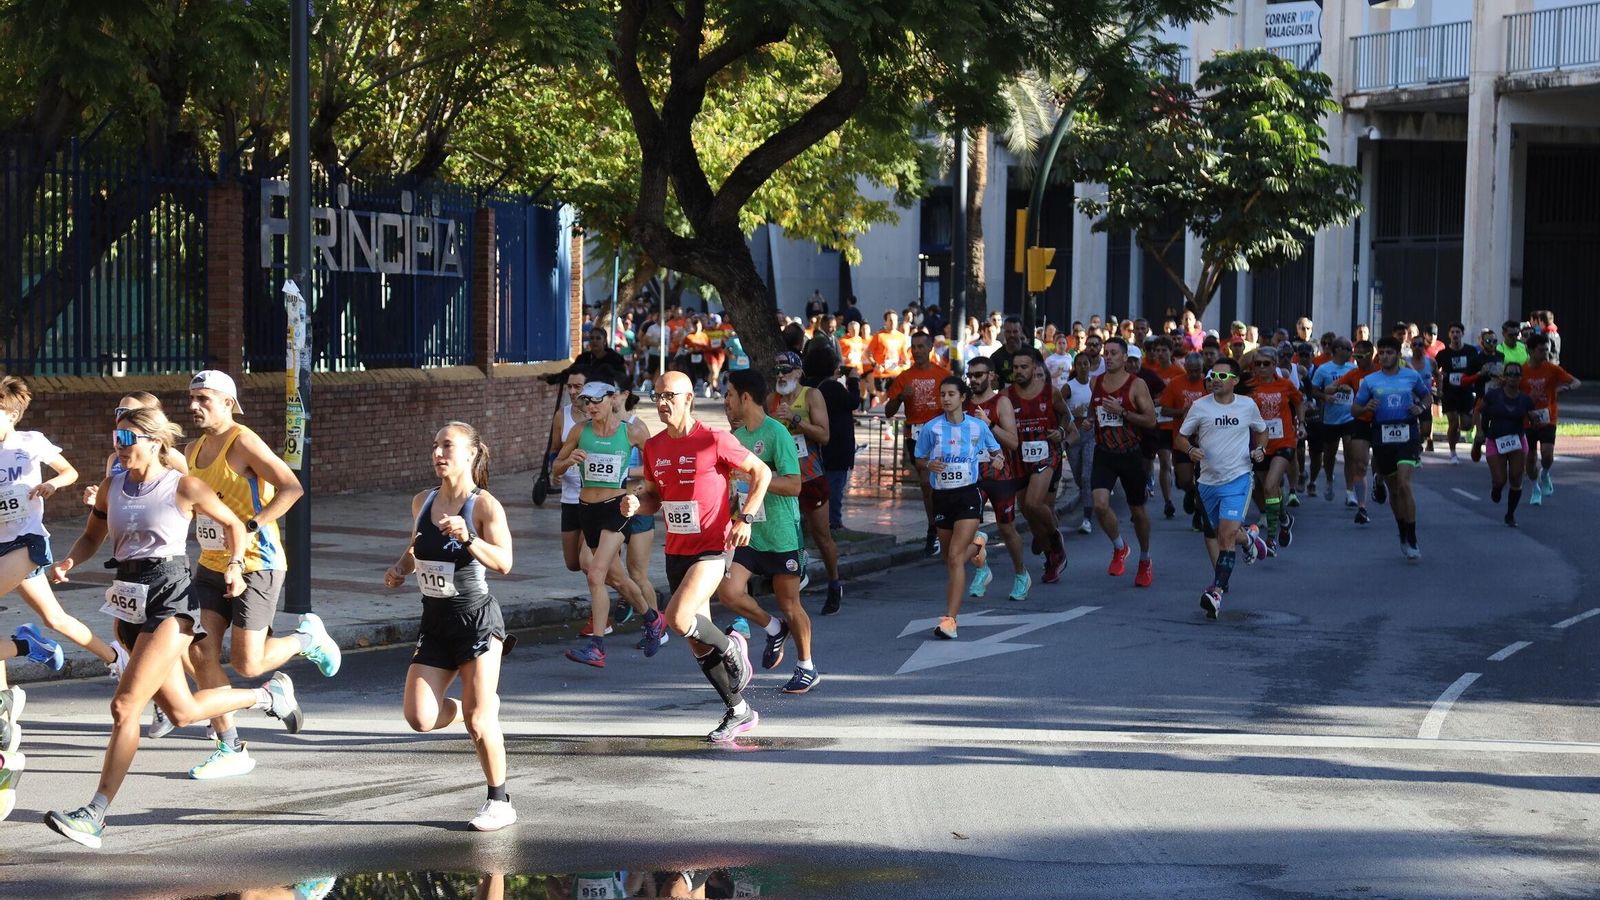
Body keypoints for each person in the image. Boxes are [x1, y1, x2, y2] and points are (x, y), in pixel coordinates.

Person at [43, 406, 301, 849]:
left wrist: (236, 567)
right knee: (181, 712)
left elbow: (234, 525)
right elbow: (92, 536)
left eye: (126, 439)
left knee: (125, 707)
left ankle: (95, 814)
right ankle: (267, 696)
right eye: (115, 438)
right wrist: (70, 559)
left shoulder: (183, 485)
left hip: (170, 599)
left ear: (153, 441)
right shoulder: (112, 487)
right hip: (128, 599)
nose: (118, 448)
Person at [176, 371, 336, 778]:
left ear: (228, 403)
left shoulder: (242, 441)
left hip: (256, 564)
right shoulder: (192, 450)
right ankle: (230, 746)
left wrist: (254, 523)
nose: (195, 406)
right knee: (200, 653)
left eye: (204, 399)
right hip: (212, 564)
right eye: (192, 398)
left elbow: (290, 486)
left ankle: (306, 638)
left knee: (248, 665)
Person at [620, 371, 771, 743]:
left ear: (689, 398)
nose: (662, 403)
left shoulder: (714, 439)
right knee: (696, 640)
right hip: (677, 551)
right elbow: (656, 496)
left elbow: (761, 472)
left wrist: (746, 517)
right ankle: (740, 710)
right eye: (657, 396)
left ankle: (732, 645)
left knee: (677, 616)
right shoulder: (654, 447)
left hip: (712, 547)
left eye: (670, 396)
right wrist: (638, 503)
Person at [383, 422, 518, 831]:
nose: (438, 453)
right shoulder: (422, 501)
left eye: (448, 446)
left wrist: (469, 537)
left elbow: (505, 563)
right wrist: (400, 568)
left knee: (480, 724)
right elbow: (416, 546)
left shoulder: (484, 507)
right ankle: (477, 705)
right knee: (420, 718)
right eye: (435, 446)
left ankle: (499, 800)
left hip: (476, 619)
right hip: (435, 620)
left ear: (471, 454)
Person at [0, 377, 124, 691]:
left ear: (12, 415)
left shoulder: (29, 442)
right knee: (56, 619)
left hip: (26, 542)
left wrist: (52, 484)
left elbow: (69, 471)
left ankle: (19, 664)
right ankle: (115, 658)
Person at [718, 370, 819, 693]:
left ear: (746, 397)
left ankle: (807, 666)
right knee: (730, 592)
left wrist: (757, 480)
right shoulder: (735, 438)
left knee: (790, 603)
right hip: (749, 532)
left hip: (780, 534)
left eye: (729, 394)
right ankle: (774, 628)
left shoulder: (776, 433)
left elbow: (794, 484)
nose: (726, 401)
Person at [552, 380, 663, 667]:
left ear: (612, 399)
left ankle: (597, 646)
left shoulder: (632, 431)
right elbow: (555, 468)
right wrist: (567, 462)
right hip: (586, 509)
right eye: (585, 402)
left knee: (594, 572)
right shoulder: (580, 431)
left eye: (595, 401)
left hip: (617, 509)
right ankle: (652, 619)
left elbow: (657, 465)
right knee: (616, 578)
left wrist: (643, 492)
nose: (590, 407)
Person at [1173, 357, 1271, 620]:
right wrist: (1191, 449)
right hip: (1207, 483)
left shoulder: (1247, 406)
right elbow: (1180, 438)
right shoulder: (1199, 407)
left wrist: (1260, 449)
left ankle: (1216, 592)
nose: (1216, 380)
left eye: (1223, 377)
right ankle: (1249, 538)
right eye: (1213, 375)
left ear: (1235, 381)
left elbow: (1262, 432)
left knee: (1225, 536)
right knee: (1221, 532)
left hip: (1238, 478)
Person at [915, 377, 1003, 640]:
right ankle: (978, 547)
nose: (946, 399)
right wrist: (928, 465)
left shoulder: (976, 427)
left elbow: (996, 451)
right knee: (949, 559)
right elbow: (919, 458)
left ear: (962, 397)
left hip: (968, 495)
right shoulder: (931, 428)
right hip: (942, 497)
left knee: (954, 557)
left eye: (951, 394)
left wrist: (997, 460)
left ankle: (950, 620)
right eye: (942, 394)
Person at [770, 351, 844, 614]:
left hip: (811, 476)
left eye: (786, 370)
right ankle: (794, 584)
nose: (781, 375)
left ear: (799, 372)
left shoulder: (811, 395)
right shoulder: (772, 400)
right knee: (788, 534)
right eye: (778, 370)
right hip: (783, 479)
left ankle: (834, 582)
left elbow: (824, 436)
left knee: (821, 537)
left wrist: (794, 419)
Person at [1355, 336, 1432, 560]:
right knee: (1395, 490)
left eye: (1390, 352)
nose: (1386, 356)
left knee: (1405, 484)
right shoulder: (1370, 381)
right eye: (1383, 352)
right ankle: (1402, 532)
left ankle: (1413, 537)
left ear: (1398, 354)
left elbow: (1427, 396)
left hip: (1408, 433)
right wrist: (1365, 408)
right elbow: (1354, 409)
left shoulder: (1411, 375)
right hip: (1382, 434)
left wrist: (1420, 407)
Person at [1090, 338, 1159, 586]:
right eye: (1105, 353)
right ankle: (1120, 547)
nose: (1108, 357)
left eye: (1113, 353)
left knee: (1138, 512)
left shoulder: (1136, 384)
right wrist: (1087, 421)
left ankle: (1145, 559)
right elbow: (1095, 412)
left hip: (1131, 454)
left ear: (1124, 357)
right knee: (1099, 505)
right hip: (1104, 452)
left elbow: (1151, 420)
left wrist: (1123, 413)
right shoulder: (1095, 382)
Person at [965, 357, 1029, 600]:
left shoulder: (1001, 402)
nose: (974, 380)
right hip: (971, 476)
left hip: (1000, 475)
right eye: (970, 375)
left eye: (979, 375)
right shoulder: (964, 403)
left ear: (991, 375)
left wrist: (989, 424)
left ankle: (1021, 574)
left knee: (1006, 528)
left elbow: (1013, 442)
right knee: (967, 526)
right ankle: (982, 570)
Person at [885, 333, 951, 558]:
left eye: (922, 346)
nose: (917, 350)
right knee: (926, 484)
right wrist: (901, 397)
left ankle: (942, 526)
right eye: (914, 347)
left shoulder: (942, 375)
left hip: (940, 435)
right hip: (915, 435)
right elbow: (888, 411)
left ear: (931, 347)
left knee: (937, 482)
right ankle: (935, 527)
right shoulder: (904, 377)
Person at [1007, 348, 1071, 583]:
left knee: (1035, 502)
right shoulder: (1007, 395)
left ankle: (1055, 537)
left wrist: (1061, 431)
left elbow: (1066, 416)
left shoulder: (1050, 393)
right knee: (1027, 509)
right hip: (1020, 457)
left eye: (1024, 367)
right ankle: (1052, 556)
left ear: (1034, 368)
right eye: (1015, 368)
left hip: (1046, 454)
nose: (1019, 372)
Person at [1244, 348, 1303, 551]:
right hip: (1260, 445)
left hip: (1283, 442)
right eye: (1257, 364)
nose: (1261, 368)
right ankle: (1284, 517)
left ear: (1275, 364)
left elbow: (1299, 400)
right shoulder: (1249, 387)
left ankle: (1271, 538)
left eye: (1266, 363)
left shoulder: (1285, 384)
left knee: (1270, 485)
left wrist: (1301, 423)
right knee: (1271, 491)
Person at [803, 343, 856, 567]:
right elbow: (853, 402)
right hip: (836, 447)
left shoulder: (807, 388)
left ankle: (820, 522)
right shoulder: (832, 388)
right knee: (834, 487)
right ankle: (833, 522)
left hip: (815, 451)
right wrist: (853, 380)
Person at [1519, 334, 1580, 506]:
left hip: (1548, 418)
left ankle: (1545, 473)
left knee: (1547, 454)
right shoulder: (1523, 371)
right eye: (1541, 350)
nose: (1545, 353)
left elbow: (1576, 382)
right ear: (1530, 351)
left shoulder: (1552, 369)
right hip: (1528, 420)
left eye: (1547, 349)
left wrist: (1565, 388)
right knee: (1530, 460)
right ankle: (1535, 488)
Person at [1475, 363, 1534, 527]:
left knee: (1516, 477)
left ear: (1521, 378)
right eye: (1509, 374)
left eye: (1516, 375)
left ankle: (1510, 514)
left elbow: (1533, 418)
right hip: (1495, 440)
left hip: (1517, 440)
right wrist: (1479, 431)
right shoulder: (1493, 395)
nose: (1513, 378)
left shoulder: (1525, 399)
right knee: (1500, 480)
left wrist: (1537, 419)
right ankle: (1497, 488)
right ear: (1504, 377)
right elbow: (1477, 411)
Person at [1157, 351, 1210, 529]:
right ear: (1185, 368)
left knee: (1203, 479)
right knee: (1185, 480)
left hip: (1204, 439)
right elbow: (1164, 410)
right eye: (1191, 370)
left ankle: (1199, 515)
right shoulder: (1176, 383)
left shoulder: (1209, 383)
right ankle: (1190, 491)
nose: (1195, 374)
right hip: (1182, 438)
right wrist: (1183, 412)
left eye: (1198, 370)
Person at [1332, 340, 1378, 524]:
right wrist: (1336, 388)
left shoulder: (1381, 371)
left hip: (1382, 422)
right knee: (1360, 465)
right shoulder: (1353, 374)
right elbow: (1331, 387)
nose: (1357, 359)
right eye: (1355, 356)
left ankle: (1379, 481)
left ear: (1371, 354)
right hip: (1360, 420)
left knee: (1381, 463)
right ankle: (1362, 508)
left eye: (1361, 356)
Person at [552, 368, 590, 575]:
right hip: (569, 496)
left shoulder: (598, 417)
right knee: (573, 563)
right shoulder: (562, 415)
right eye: (570, 387)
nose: (573, 392)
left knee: (588, 560)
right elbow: (554, 451)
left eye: (578, 387)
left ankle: (606, 597)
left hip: (593, 496)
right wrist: (555, 471)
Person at [1435, 324, 1482, 465]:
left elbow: (1477, 368)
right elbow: (1435, 369)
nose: (1455, 334)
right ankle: (1453, 453)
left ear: (1462, 333)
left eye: (1458, 332)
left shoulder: (1471, 351)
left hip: (1466, 391)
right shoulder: (1443, 354)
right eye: (1452, 332)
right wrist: (1439, 381)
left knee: (1467, 425)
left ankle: (1467, 435)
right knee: (1453, 422)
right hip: (1450, 392)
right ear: (1449, 335)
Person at [1062, 351, 1098, 535]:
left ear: (1090, 366)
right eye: (1080, 364)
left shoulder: (1095, 385)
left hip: (1091, 435)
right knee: (1078, 477)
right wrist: (1071, 421)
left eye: (1086, 364)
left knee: (1086, 476)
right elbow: (1059, 409)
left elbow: (1099, 406)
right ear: (1075, 367)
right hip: (1074, 435)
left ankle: (1087, 518)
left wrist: (1091, 419)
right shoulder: (1069, 387)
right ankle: (1089, 497)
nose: (1083, 367)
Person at [866, 311, 910, 404]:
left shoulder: (901, 337)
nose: (893, 322)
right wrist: (875, 364)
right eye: (890, 320)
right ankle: (877, 403)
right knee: (883, 401)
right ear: (885, 322)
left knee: (895, 400)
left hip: (895, 372)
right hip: (881, 373)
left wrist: (906, 361)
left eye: (895, 320)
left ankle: (892, 417)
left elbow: (903, 354)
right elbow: (868, 353)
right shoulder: (878, 336)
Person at [987, 317, 1028, 387]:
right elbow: (992, 385)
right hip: (1005, 396)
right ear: (1004, 332)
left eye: (1015, 331)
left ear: (1021, 332)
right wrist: (993, 383)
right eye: (1008, 331)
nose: (1012, 335)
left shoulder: (1033, 353)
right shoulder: (996, 357)